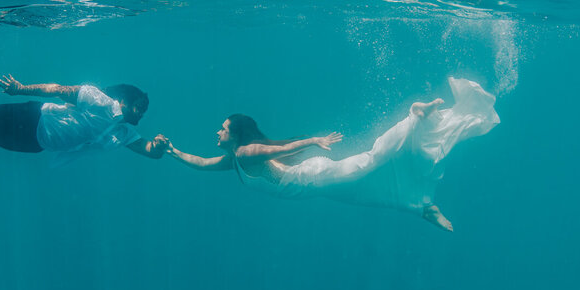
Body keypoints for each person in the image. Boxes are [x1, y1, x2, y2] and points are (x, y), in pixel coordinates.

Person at [155, 77, 499, 230]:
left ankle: (415, 116)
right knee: (368, 194)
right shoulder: (234, 161)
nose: (217, 132)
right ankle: (423, 207)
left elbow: (282, 148)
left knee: (372, 159)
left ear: (236, 135)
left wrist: (315, 140)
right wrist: (171, 151)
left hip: (314, 177)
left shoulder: (245, 154)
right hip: (315, 189)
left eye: (223, 128)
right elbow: (200, 163)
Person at [0, 75, 166, 160]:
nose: (142, 113)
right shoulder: (98, 99)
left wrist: (159, 146)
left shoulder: (122, 133)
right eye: (139, 106)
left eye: (144, 109)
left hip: (36, 144)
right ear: (124, 100)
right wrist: (20, 88)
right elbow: (58, 90)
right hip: (34, 117)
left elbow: (150, 152)